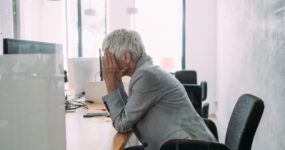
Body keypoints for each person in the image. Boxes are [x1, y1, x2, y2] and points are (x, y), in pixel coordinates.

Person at [101, 29, 216, 150]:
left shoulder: (146, 76)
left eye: (109, 59)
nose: (107, 65)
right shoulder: (147, 71)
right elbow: (126, 113)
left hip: (188, 147)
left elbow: (122, 124)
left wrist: (109, 82)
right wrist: (116, 80)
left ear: (126, 57)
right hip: (180, 145)